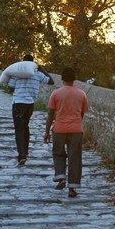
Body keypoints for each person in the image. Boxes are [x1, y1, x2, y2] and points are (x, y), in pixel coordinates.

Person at [44, 66, 89, 198]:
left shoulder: (56, 94)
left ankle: (61, 177)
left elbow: (51, 113)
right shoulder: (81, 94)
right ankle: (72, 188)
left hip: (59, 129)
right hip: (76, 130)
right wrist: (76, 123)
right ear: (74, 79)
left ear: (62, 79)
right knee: (75, 158)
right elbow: (82, 113)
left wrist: (47, 132)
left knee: (58, 153)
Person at [0, 54, 51, 166]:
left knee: (19, 129)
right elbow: (51, 81)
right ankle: (25, 152)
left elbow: (10, 88)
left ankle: (22, 155)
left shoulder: (16, 75)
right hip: (30, 105)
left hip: (18, 104)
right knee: (25, 126)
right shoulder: (38, 74)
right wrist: (42, 68)